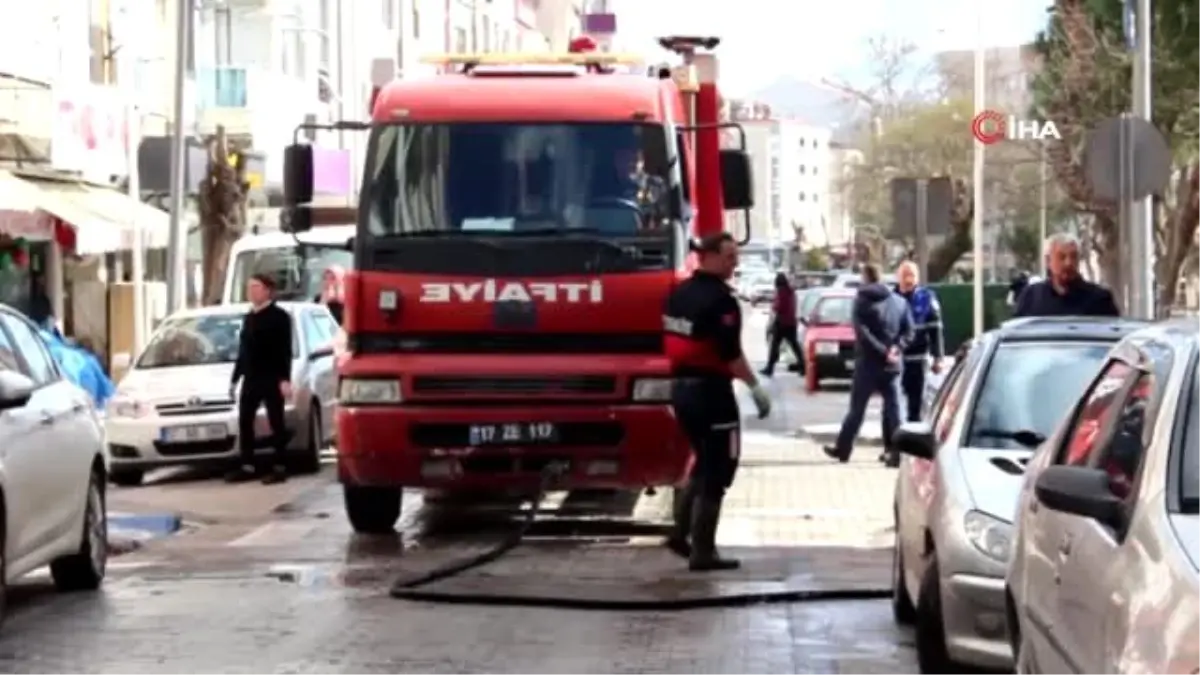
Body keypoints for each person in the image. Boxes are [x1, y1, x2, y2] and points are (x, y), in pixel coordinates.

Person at [662, 232, 771, 572]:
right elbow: (730, 355)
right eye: (729, 256)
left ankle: (680, 534)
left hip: (680, 392)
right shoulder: (721, 301)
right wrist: (755, 387)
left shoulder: (678, 295)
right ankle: (703, 551)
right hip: (711, 394)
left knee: (702, 462)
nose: (735, 262)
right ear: (708, 256)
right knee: (719, 469)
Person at [823, 263, 913, 467]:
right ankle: (898, 453)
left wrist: (882, 351)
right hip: (892, 365)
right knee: (894, 410)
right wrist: (896, 349)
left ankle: (843, 449)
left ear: (865, 278)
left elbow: (863, 334)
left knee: (857, 409)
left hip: (868, 365)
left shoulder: (861, 302)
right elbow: (909, 331)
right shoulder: (899, 302)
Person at [228, 273, 294, 484]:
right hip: (251, 377)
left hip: (272, 377)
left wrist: (284, 378)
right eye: (249, 287)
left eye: (256, 287)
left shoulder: (279, 317)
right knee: (245, 420)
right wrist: (235, 378)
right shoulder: (249, 317)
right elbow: (243, 350)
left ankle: (280, 466)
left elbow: (285, 350)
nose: (252, 291)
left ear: (267, 291)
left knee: (276, 421)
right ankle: (248, 465)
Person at [1014, 233, 1119, 317]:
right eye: (1062, 257)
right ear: (1048, 261)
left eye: (1073, 257)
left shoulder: (1100, 299)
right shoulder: (1032, 297)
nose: (1068, 263)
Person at [894, 261, 944, 423]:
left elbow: (935, 330)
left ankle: (912, 439)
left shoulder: (926, 298)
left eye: (912, 275)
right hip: (895, 359)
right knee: (892, 404)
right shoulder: (890, 298)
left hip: (918, 358)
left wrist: (938, 358)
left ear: (917, 278)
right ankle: (893, 442)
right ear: (898, 277)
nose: (908, 280)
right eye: (905, 275)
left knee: (916, 404)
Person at [760, 272, 803, 377]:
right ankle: (803, 365)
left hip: (781, 323)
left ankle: (770, 368)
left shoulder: (781, 291)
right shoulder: (791, 292)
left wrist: (773, 307)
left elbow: (779, 307)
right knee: (794, 345)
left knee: (775, 346)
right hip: (791, 322)